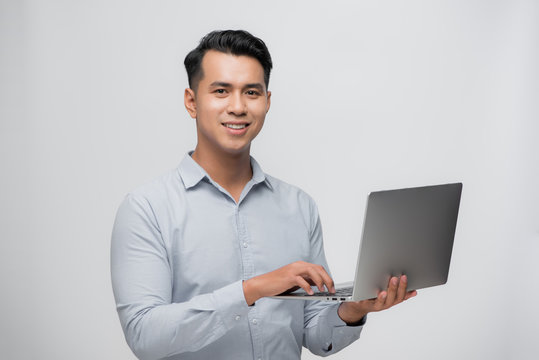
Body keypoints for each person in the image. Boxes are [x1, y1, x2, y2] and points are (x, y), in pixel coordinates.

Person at [111, 29, 417, 360]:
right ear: (191, 101)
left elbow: (314, 333)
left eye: (252, 92)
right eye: (221, 91)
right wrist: (253, 289)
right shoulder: (147, 209)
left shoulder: (298, 206)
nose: (238, 107)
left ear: (267, 102)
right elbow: (144, 336)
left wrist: (354, 309)